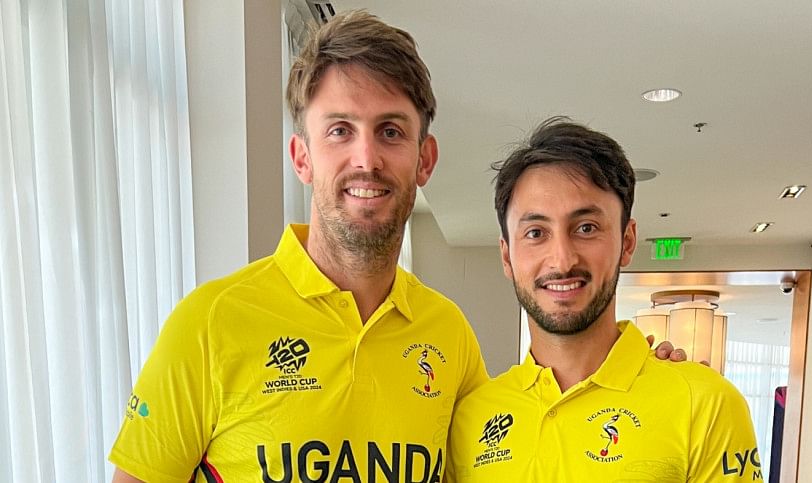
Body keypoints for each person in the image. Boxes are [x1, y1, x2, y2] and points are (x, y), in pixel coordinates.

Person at [109, 11, 684, 483]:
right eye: (340, 131)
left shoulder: (448, 333)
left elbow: (514, 443)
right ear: (302, 157)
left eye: (390, 131)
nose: (366, 159)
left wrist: (651, 387)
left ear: (424, 159)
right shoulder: (210, 322)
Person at [445, 117, 761, 482]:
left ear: (627, 241)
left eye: (586, 228)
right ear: (507, 256)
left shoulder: (705, 402)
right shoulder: (470, 419)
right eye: (535, 232)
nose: (562, 260)